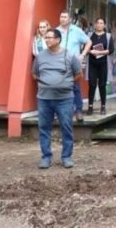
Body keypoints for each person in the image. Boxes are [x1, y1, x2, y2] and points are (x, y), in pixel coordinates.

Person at [32, 28, 82, 169]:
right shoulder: (40, 56)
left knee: (66, 127)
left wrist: (66, 83)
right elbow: (34, 74)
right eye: (46, 37)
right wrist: (48, 83)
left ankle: (66, 157)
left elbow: (79, 75)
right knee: (44, 128)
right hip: (44, 98)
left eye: (50, 37)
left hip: (64, 98)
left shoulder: (70, 55)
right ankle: (46, 157)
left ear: (58, 39)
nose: (47, 40)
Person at [57, 10, 91, 122]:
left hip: (74, 63)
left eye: (65, 17)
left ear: (70, 19)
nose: (62, 19)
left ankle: (79, 111)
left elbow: (88, 42)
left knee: (75, 87)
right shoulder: (56, 31)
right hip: (59, 63)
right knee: (60, 87)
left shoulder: (77, 31)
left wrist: (83, 54)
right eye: (61, 16)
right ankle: (64, 111)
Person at [87, 18, 111, 115]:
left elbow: (111, 50)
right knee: (92, 85)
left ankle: (103, 107)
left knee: (102, 85)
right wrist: (90, 51)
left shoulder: (108, 36)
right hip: (92, 63)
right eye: (98, 23)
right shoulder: (89, 35)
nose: (99, 25)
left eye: (101, 23)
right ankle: (90, 107)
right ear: (95, 24)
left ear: (104, 25)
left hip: (103, 63)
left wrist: (100, 52)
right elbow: (84, 48)